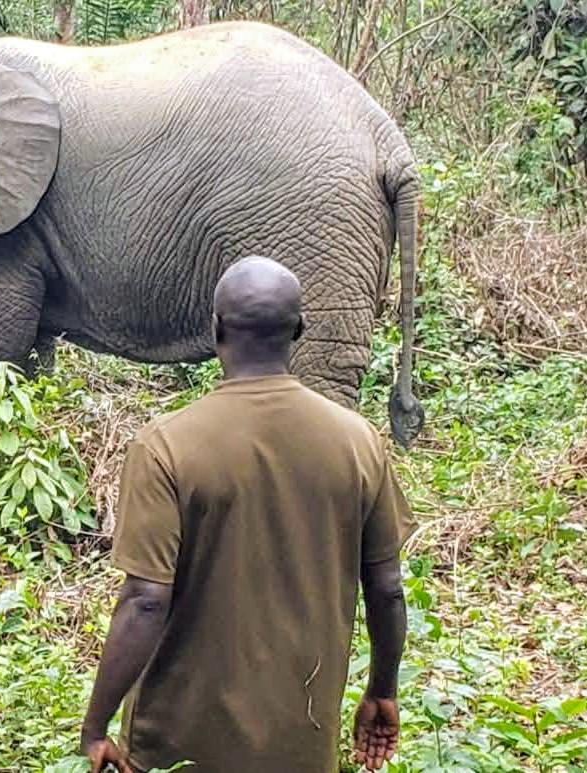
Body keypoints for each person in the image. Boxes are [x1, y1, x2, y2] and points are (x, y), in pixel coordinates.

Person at [81, 256, 414, 773]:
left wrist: (95, 727)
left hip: (176, 745)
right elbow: (387, 587)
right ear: (299, 330)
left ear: (215, 330)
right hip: (302, 744)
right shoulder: (358, 442)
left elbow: (146, 601)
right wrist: (382, 690)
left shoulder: (165, 445)